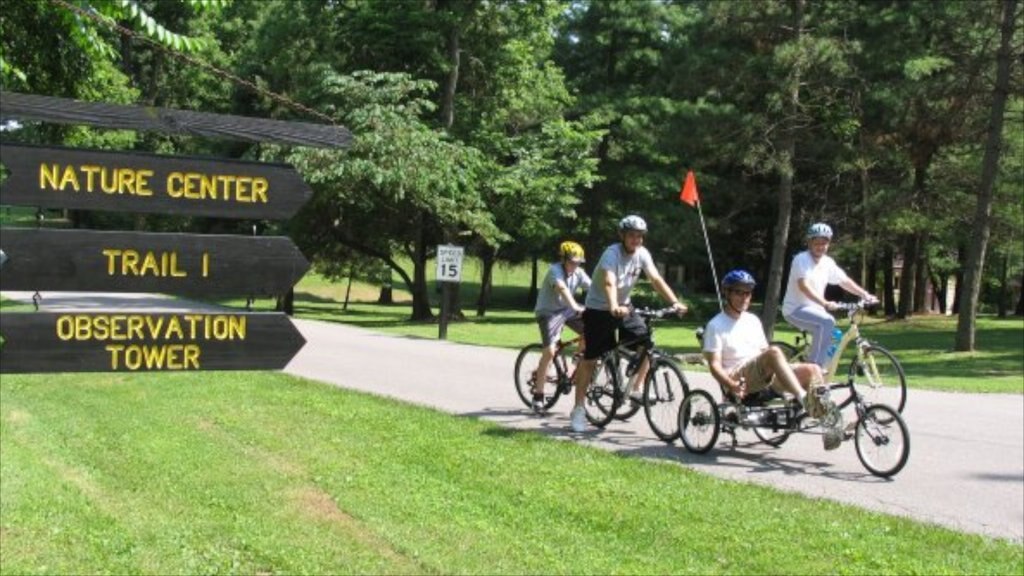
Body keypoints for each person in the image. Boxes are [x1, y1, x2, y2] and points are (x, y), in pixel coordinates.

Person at [569, 215, 687, 433]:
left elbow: (655, 279)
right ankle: (578, 410)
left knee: (646, 343)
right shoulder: (611, 253)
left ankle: (636, 388)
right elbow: (609, 281)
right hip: (599, 309)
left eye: (640, 236)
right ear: (622, 236)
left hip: (624, 307)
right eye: (632, 235)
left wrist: (674, 302)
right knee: (590, 359)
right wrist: (613, 304)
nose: (636, 240)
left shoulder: (642, 254)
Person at [703, 270, 841, 449]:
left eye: (748, 293)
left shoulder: (753, 320)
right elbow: (714, 365)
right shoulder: (716, 325)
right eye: (738, 292)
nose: (744, 297)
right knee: (774, 352)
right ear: (727, 293)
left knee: (812, 369)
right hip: (739, 377)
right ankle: (804, 399)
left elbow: (764, 354)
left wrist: (793, 368)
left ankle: (828, 424)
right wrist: (730, 384)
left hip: (763, 374)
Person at [782, 223, 877, 368]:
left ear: (829, 243)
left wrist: (865, 294)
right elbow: (804, 287)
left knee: (835, 337)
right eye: (817, 243)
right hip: (794, 310)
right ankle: (814, 371)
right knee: (827, 321)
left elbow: (844, 281)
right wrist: (825, 303)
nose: (820, 247)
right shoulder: (801, 259)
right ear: (809, 243)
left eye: (824, 243)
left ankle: (822, 370)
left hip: (816, 311)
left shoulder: (828, 262)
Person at [530, 241, 592, 412]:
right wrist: (575, 306)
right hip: (548, 312)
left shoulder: (579, 273)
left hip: (566, 310)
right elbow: (563, 290)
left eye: (578, 262)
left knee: (591, 330)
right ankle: (538, 396)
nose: (575, 265)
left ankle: (574, 366)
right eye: (572, 262)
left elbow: (594, 288)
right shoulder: (554, 271)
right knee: (550, 351)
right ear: (563, 259)